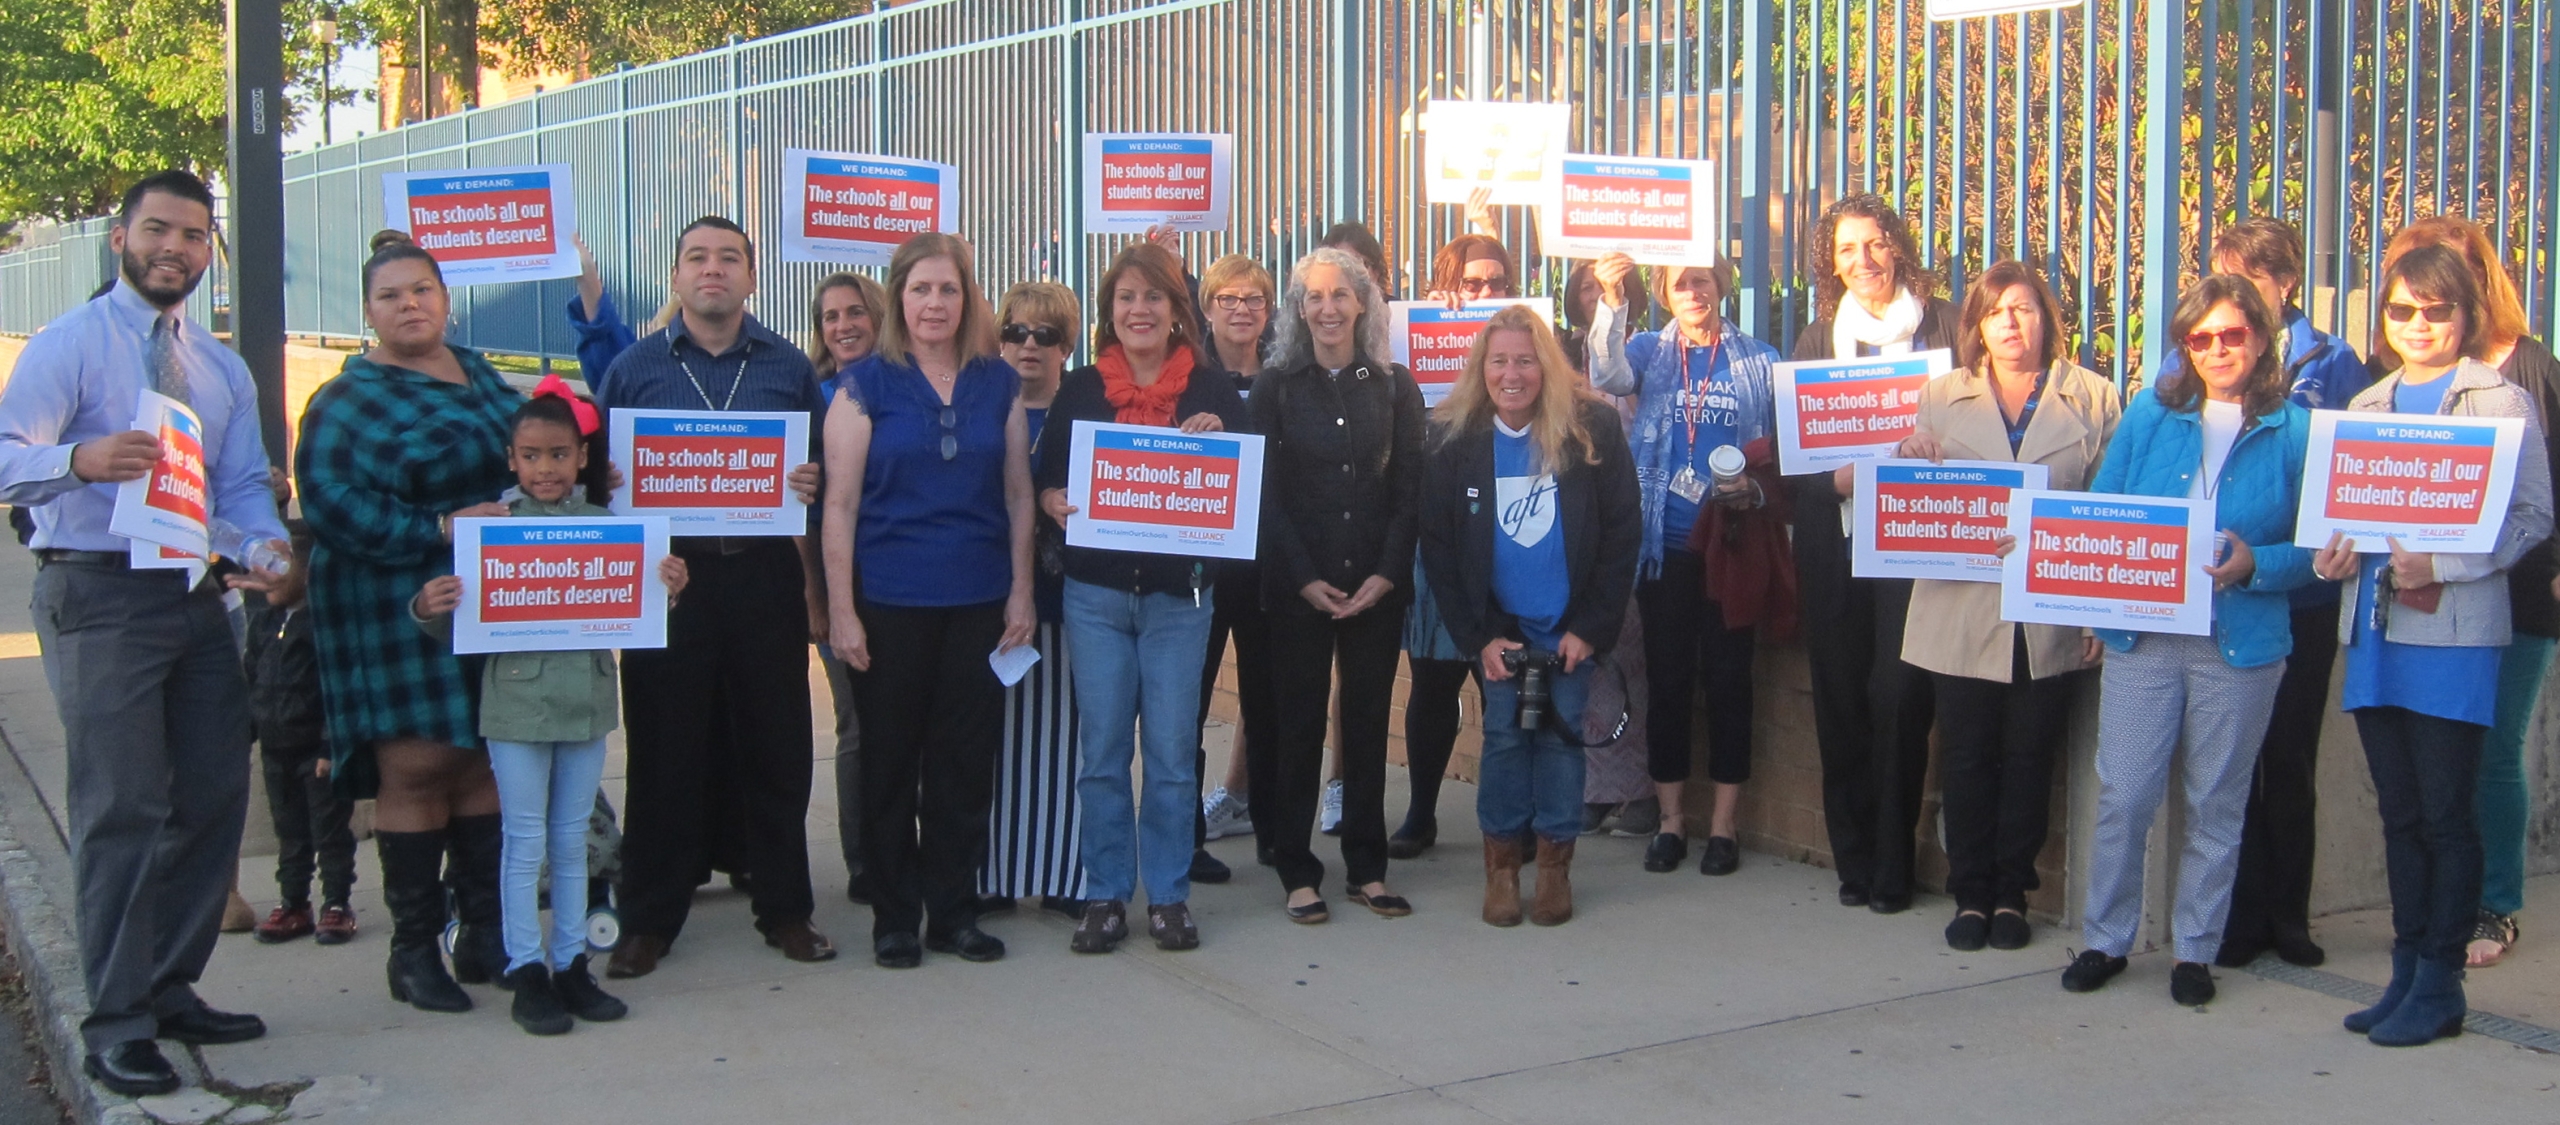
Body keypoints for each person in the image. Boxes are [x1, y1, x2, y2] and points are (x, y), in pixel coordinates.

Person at [0, 170, 289, 1094]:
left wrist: (271, 549)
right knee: (123, 807)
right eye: (158, 230)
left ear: (210, 250)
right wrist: (77, 458)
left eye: (195, 235)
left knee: (208, 797)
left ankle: (167, 984)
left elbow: (238, 487)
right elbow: (7, 457)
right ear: (121, 237)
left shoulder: (219, 367)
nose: (176, 248)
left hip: (196, 597)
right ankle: (116, 1020)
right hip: (98, 597)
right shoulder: (70, 345)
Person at [2311, 245, 2552, 1046]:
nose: (2418, 325)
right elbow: (2340, 516)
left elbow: (2530, 517)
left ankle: (2442, 981)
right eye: (2402, 310)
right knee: (2401, 812)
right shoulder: (2369, 404)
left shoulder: (2502, 402)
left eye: (2436, 309)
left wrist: (2443, 563)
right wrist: (2332, 553)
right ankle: (2407, 967)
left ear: (2466, 314)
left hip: (2453, 633)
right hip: (2375, 628)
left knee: (2448, 813)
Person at [2059, 275, 2312, 1006]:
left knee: (2217, 803)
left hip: (2242, 641)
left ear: (2261, 338)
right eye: (2200, 338)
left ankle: (2195, 949)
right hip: (2146, 636)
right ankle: (2106, 937)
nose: (2217, 349)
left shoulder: (2293, 429)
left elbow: (2320, 548)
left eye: (2233, 334)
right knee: (2125, 794)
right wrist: (2092, 613)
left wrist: (2257, 562)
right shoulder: (2150, 412)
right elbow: (2101, 514)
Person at [595, 216, 832, 979]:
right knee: (666, 745)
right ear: (676, 276)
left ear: (751, 278)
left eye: (730, 257)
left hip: (764, 574)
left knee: (778, 743)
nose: (713, 270)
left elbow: (821, 469)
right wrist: (613, 489)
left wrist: (809, 481)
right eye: (697, 256)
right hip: (672, 581)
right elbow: (596, 478)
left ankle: (786, 907)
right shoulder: (634, 368)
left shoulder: (788, 368)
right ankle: (649, 918)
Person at [298, 229, 522, 1016]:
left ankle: (485, 936)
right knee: (420, 765)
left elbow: (529, 458)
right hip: (389, 599)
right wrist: (437, 529)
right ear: (369, 311)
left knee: (486, 758)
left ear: (445, 299)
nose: (410, 305)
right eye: (391, 296)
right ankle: (413, 950)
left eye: (422, 291)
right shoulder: (346, 399)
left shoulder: (484, 373)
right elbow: (329, 502)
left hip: (491, 599)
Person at [410, 388, 677, 1035]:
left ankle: (570, 964)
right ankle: (527, 968)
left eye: (559, 454)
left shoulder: (609, 524)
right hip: (516, 708)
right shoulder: (490, 528)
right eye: (532, 455)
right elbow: (462, 632)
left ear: (582, 455)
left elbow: (636, 616)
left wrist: (666, 587)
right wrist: (429, 607)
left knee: (571, 842)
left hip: (584, 703)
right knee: (524, 842)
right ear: (511, 459)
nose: (547, 468)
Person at [1888, 261, 2117, 952]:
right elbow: (1905, 496)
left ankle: (2014, 892)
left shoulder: (2096, 398)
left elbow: (2107, 511)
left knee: (2029, 755)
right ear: (1977, 326)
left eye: (2024, 309)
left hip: (2049, 607)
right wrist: (1911, 452)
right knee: (1965, 754)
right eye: (1997, 313)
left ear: (2047, 317)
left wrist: (2097, 612)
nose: (2012, 324)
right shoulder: (1938, 396)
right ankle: (1971, 892)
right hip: (1960, 608)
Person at [826, 232, 1037, 968]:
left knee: (962, 764)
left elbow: (1017, 493)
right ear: (899, 298)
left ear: (967, 296)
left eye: (949, 289)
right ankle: (894, 916)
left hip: (978, 602)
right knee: (889, 763)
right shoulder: (864, 386)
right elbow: (840, 508)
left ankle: (953, 911)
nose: (935, 303)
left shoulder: (997, 384)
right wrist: (843, 611)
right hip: (889, 603)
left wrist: (1021, 592)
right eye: (921, 289)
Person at [1036, 243, 1247, 952]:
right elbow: (1045, 481)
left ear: (1177, 310)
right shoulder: (1081, 390)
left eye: (1153, 297)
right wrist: (1053, 498)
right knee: (1101, 753)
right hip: (1095, 596)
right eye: (1126, 297)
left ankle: (1168, 893)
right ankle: (1104, 892)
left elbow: (1244, 490)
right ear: (1109, 310)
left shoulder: (1212, 391)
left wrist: (1224, 441)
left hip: (1177, 603)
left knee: (1169, 751)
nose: (1140, 309)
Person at [2376, 216, 2560, 970]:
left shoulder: (2527, 374)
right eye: (2408, 289)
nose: (2425, 303)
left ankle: (2497, 904)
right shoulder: (2381, 386)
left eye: (2443, 284)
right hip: (2411, 607)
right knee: (2426, 779)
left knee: (2491, 751)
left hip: (2518, 590)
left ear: (2477, 285)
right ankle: (2431, 922)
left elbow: (2541, 497)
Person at [1418, 305, 1640, 927]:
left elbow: (1622, 533)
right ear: (1480, 369)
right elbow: (1438, 547)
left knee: (1563, 743)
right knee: (1506, 741)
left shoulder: (1591, 427)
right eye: (1499, 361)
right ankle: (1502, 870)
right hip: (1501, 633)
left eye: (1524, 360)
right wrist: (1480, 636)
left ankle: (1554, 869)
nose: (1511, 374)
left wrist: (1590, 630)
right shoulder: (1452, 438)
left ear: (1544, 365)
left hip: (1568, 630)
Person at [1783, 195, 1956, 911]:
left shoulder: (1945, 327)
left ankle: (1895, 863)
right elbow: (1794, 471)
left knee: (1900, 697)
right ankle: (1854, 861)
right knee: (1841, 702)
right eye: (1849, 249)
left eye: (1877, 244)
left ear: (1898, 249)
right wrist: (1837, 479)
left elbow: (1974, 423)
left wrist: (1935, 446)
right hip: (1839, 543)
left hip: (1914, 548)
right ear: (1832, 262)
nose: (1864, 260)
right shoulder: (1816, 341)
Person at [2207, 216, 2372, 969]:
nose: (2238, 299)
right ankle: (2239, 917)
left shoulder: (2330, 360)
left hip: (2300, 590)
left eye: (2252, 282)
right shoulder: (2207, 351)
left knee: (2292, 758)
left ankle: (2290, 915)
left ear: (2286, 283)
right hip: (2226, 589)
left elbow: (2352, 468)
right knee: (2233, 760)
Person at [1586, 253, 1780, 876]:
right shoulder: (1648, 352)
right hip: (1664, 548)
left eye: (1702, 279)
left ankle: (1724, 827)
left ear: (1723, 283)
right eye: (1679, 284)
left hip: (1731, 543)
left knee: (1729, 684)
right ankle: (1671, 823)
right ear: (1665, 296)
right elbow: (1607, 373)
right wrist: (1614, 301)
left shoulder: (1762, 360)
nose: (1693, 291)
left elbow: (1784, 453)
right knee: (1667, 686)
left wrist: (1755, 492)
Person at [1251, 246, 1425, 923]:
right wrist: (1304, 578)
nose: (1327, 308)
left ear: (1362, 305)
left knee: (1365, 724)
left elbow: (1409, 489)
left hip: (1374, 587)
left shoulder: (1393, 385)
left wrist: (1387, 572)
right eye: (1314, 297)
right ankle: (1297, 867)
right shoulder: (1276, 387)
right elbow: (1264, 497)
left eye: (1339, 296)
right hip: (1302, 588)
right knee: (1298, 724)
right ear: (1300, 309)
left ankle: (1367, 866)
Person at [1392, 230, 1524, 859]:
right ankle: (1421, 814)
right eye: (1472, 283)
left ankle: (1515, 818)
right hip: (1441, 537)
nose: (1486, 293)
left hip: (1513, 538)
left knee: (1508, 684)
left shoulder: (1527, 347)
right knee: (1434, 684)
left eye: (1497, 282)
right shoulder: (1415, 340)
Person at [980, 279, 1092, 917]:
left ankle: (1063, 877)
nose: (1028, 345)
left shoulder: (1084, 412)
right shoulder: (978, 407)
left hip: (1064, 600)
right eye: (1016, 332)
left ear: (1066, 346)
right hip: (986, 599)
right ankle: (990, 876)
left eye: (1045, 335)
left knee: (1063, 743)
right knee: (992, 746)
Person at [1193, 254, 1280, 870]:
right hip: (1201, 565)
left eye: (1253, 299)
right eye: (1228, 299)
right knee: (1188, 701)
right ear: (1207, 308)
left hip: (1268, 560)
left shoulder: (1287, 375)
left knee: (1267, 697)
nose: (1242, 310)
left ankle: (1274, 829)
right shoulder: (1186, 378)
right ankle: (1184, 838)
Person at [808, 271, 890, 904]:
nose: (844, 326)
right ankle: (866, 864)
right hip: (841, 585)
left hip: (903, 581)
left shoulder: (900, 387)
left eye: (856, 312)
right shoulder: (811, 398)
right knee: (859, 726)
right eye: (831, 316)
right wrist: (819, 600)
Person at [245, 525, 359, 947]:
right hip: (275, 749)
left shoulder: (322, 627)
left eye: (278, 566)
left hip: (316, 752)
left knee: (329, 831)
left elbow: (336, 689)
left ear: (308, 573)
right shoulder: (262, 625)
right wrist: (245, 731)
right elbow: (250, 680)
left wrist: (331, 745)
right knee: (289, 832)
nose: (266, 576)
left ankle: (337, 903)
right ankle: (293, 902)